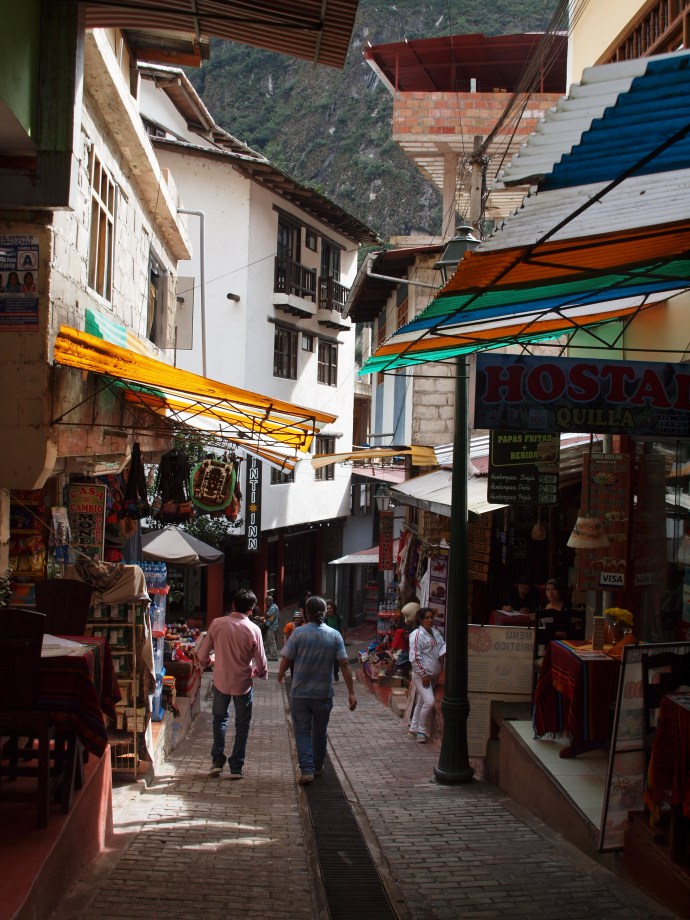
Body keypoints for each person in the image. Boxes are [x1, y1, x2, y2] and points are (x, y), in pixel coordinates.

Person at [278, 595, 356, 785]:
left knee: (303, 731)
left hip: (300, 693)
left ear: (306, 613)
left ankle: (307, 770)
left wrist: (280, 674)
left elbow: (287, 659)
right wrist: (351, 692)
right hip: (323, 693)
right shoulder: (334, 635)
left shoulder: (298, 633)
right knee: (320, 732)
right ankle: (318, 766)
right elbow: (344, 664)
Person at [196, 588, 267, 778]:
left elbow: (202, 653)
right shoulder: (254, 629)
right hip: (243, 682)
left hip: (220, 680)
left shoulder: (217, 624)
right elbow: (261, 660)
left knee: (219, 720)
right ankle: (236, 767)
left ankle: (217, 762)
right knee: (242, 724)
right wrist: (259, 672)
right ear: (251, 610)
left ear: (233, 605)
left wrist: (208, 662)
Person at [408, 607, 446, 743]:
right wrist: (424, 674)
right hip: (422, 676)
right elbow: (414, 658)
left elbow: (441, 646)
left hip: (433, 675)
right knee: (429, 702)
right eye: (427, 618)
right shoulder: (417, 635)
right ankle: (421, 731)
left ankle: (413, 727)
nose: (430, 620)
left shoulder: (435, 633)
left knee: (422, 701)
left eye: (431, 617)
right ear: (420, 619)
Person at [324, 598, 343, 680]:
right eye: (327, 608)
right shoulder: (325, 618)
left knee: (336, 659)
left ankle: (335, 672)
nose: (328, 610)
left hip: (337, 641)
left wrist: (343, 642)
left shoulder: (338, 617)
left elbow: (343, 630)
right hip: (328, 641)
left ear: (334, 608)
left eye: (330, 608)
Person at [264, 593, 280, 661]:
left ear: (270, 601)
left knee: (271, 642)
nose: (265, 603)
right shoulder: (275, 606)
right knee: (269, 641)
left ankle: (274, 656)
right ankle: (266, 654)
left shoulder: (273, 607)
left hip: (271, 627)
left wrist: (266, 609)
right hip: (273, 626)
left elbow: (266, 615)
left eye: (266, 602)